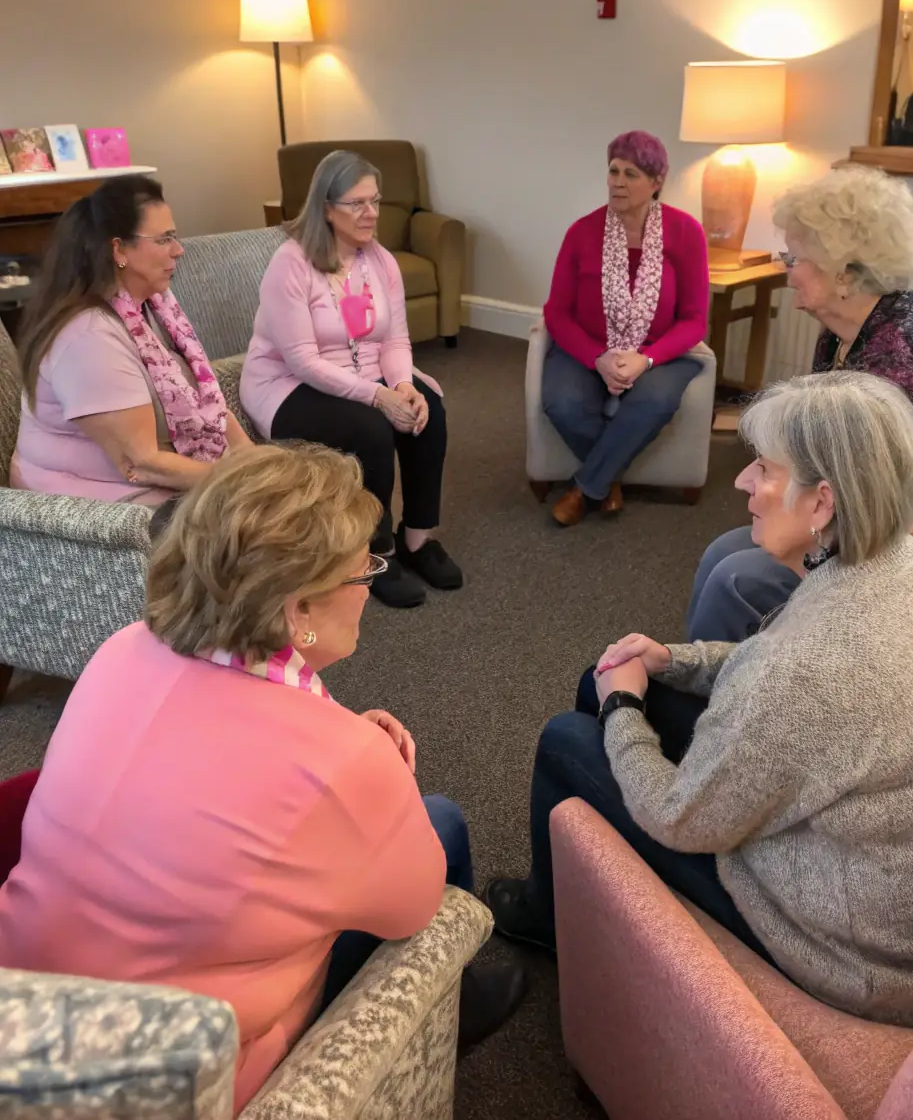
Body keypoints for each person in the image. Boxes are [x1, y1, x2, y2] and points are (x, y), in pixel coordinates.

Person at [486, 371, 913, 1027]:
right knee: (605, 680)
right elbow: (773, 671)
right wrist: (671, 661)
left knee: (568, 740)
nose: (742, 484)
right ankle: (566, 885)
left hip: (879, 962)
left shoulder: (805, 674)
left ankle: (548, 918)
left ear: (821, 502)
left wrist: (623, 711)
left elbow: (680, 815)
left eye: (764, 470)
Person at [0, 444, 524, 1115]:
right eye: (363, 567)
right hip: (186, 1078)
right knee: (441, 822)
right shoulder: (344, 759)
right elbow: (416, 906)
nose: (371, 582)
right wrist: (376, 777)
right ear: (297, 610)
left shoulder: (122, 647)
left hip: (29, 1027)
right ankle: (449, 1000)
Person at [689, 165, 913, 643]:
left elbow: (860, 499)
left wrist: (784, 519)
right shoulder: (846, 332)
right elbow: (824, 458)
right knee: (723, 553)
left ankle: (734, 703)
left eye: (795, 257)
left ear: (843, 274)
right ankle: (715, 687)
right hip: (874, 508)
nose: (787, 271)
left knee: (737, 577)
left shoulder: (905, 350)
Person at [241, 151, 460, 609]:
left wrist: (402, 387)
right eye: (357, 203)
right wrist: (377, 396)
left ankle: (418, 539)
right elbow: (301, 359)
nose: (372, 214)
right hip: (286, 385)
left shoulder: (380, 261)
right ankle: (374, 553)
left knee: (428, 411)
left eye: (376, 201)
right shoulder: (292, 263)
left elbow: (396, 341)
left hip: (367, 375)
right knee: (370, 429)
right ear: (325, 207)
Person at [12, 175, 250, 507]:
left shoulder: (155, 306)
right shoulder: (88, 336)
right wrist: (248, 483)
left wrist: (256, 463)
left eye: (175, 237)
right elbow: (141, 463)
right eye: (165, 239)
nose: (179, 250)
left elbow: (210, 404)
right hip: (99, 511)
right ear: (119, 249)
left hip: (171, 482)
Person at [541, 130, 709, 526]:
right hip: (587, 347)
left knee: (653, 402)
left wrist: (646, 359)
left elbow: (694, 320)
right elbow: (557, 313)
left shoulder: (686, 233)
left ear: (656, 183)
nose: (617, 181)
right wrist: (597, 358)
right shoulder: (582, 232)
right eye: (613, 171)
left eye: (631, 174)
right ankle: (609, 479)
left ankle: (585, 487)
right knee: (562, 403)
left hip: (658, 351)